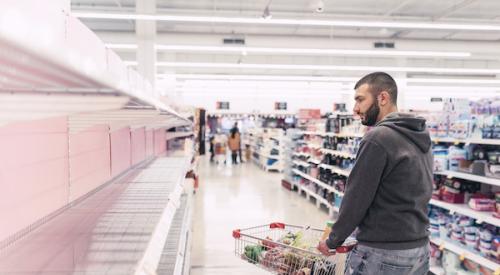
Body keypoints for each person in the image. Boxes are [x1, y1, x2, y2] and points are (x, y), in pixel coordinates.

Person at [317, 72, 433, 275]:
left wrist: (333, 240)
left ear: (383, 98)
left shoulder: (378, 138)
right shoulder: (420, 136)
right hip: (419, 249)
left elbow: (357, 198)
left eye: (360, 99)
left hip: (384, 252)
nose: (355, 108)